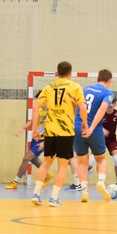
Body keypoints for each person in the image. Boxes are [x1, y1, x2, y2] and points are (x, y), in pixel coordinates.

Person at [30, 61, 88, 207]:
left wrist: (34, 129)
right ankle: (53, 198)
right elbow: (82, 108)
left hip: (50, 131)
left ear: (57, 73)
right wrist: (85, 124)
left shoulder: (49, 87)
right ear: (70, 73)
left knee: (46, 163)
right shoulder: (75, 87)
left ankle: (36, 194)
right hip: (66, 132)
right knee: (62, 166)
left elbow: (36, 108)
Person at [73, 70, 115, 203]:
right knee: (101, 159)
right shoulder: (108, 93)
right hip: (94, 129)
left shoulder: (85, 89)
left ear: (97, 78)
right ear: (109, 81)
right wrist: (91, 128)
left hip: (78, 127)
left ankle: (84, 190)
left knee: (82, 161)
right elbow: (102, 109)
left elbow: (75, 106)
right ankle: (101, 182)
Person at [6, 94, 54, 189]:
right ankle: (47, 174)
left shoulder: (52, 113)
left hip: (45, 139)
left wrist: (45, 142)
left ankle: (15, 182)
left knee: (26, 158)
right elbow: (31, 121)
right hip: (36, 138)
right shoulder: (38, 110)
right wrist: (22, 128)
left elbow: (54, 129)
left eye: (41, 101)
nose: (39, 102)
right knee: (33, 159)